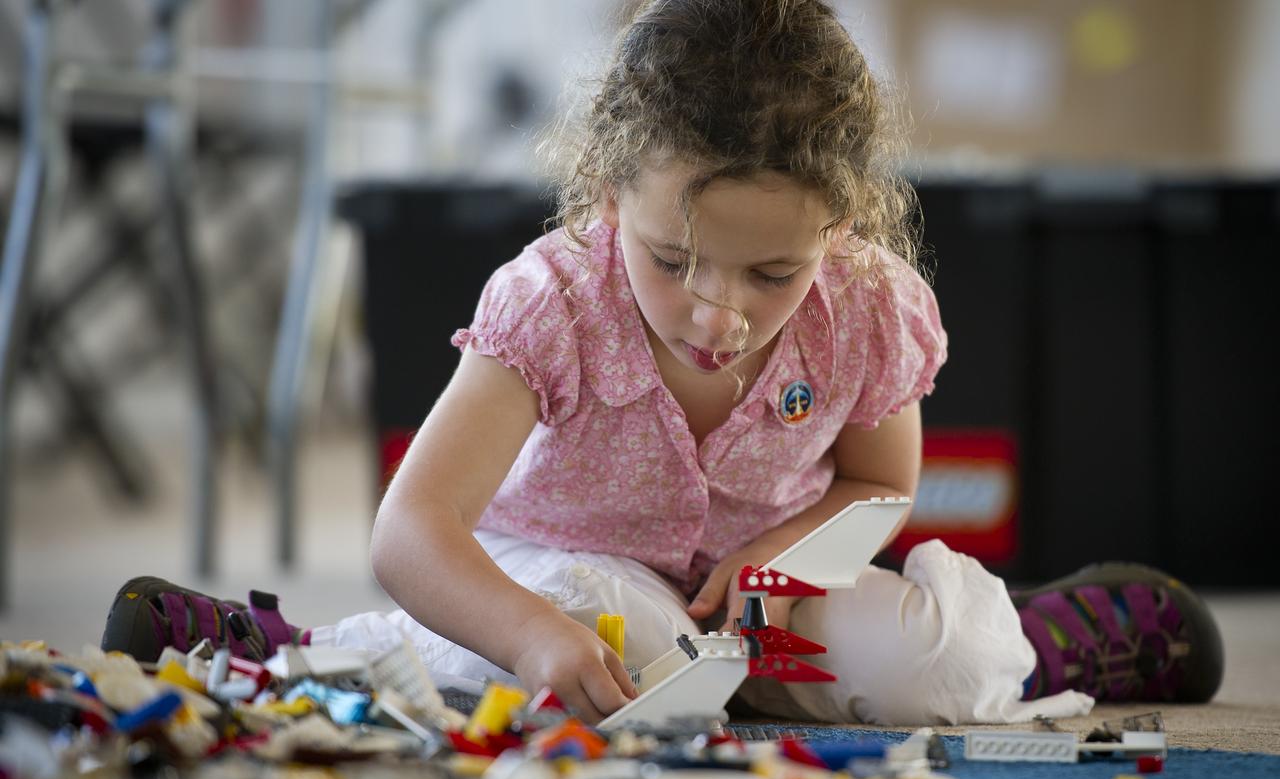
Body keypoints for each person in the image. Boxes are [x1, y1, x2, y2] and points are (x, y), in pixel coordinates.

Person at [102, 0, 1223, 725]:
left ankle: (1050, 637)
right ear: (606, 199)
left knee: (943, 675)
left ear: (839, 229)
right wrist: (533, 634)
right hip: (570, 582)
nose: (716, 314)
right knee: (593, 644)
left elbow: (880, 482)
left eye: (769, 274)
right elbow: (412, 529)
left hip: (765, 608)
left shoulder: (867, 306)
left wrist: (782, 555)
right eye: (672, 259)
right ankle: (292, 650)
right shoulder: (553, 300)